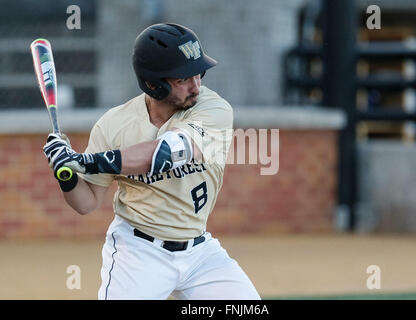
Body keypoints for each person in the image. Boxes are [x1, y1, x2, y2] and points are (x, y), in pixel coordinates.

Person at [42, 23, 261, 300]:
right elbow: (86, 203)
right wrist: (66, 172)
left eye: (198, 74)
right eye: (183, 79)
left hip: (200, 253)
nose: (196, 86)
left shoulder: (213, 108)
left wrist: (85, 161)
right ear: (153, 84)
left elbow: (166, 154)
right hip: (139, 252)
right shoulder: (113, 125)